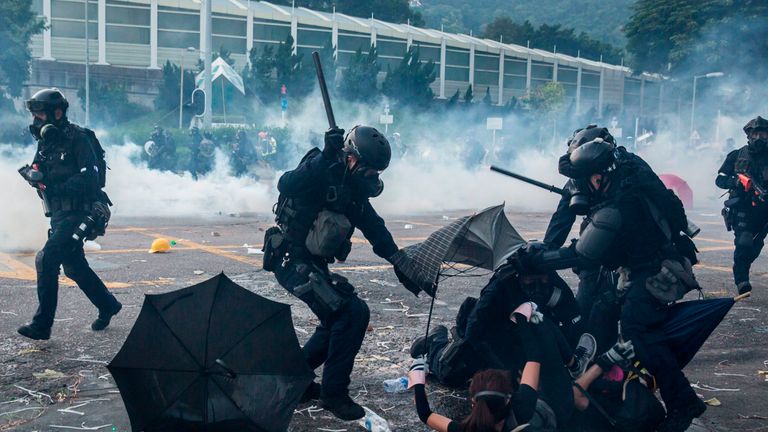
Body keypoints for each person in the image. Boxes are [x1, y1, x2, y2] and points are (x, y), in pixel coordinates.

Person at [519, 138, 705, 432]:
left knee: (636, 327)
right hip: (634, 267)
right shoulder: (620, 175)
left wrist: (537, 260)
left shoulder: (618, 204)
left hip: (656, 271)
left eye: (585, 180)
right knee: (601, 312)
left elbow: (582, 254)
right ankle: (604, 381)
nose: (581, 187)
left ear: (600, 175)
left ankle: (684, 401)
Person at [263, 125, 416, 420]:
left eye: (377, 172)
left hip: (312, 262)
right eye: (370, 169)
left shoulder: (353, 190)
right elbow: (286, 184)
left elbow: (373, 225)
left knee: (338, 315)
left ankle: (296, 377)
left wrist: (399, 261)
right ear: (351, 158)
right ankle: (333, 394)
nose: (373, 178)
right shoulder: (321, 168)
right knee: (350, 313)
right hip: (290, 258)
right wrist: (324, 157)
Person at [408, 307, 638, 432]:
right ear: (509, 399)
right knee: (566, 389)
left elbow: (425, 414)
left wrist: (418, 379)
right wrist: (521, 317)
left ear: (472, 403)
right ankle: (581, 363)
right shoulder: (525, 406)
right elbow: (534, 356)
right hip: (554, 412)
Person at [17, 88, 122, 340]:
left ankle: (42, 326)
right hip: (59, 214)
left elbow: (91, 180)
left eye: (40, 114)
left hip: (81, 211)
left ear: (57, 112)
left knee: (47, 259)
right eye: (34, 115)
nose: (36, 120)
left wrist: (52, 184)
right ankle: (108, 305)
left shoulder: (79, 138)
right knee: (74, 267)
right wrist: (34, 176)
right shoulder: (46, 142)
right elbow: (37, 168)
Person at [716, 116, 768, 294]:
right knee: (744, 242)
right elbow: (720, 179)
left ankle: (743, 265)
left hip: (765, 209)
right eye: (756, 134)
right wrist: (736, 182)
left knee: (756, 245)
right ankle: (741, 279)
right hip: (743, 209)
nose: (759, 138)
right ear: (749, 135)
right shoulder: (737, 155)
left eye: (763, 134)